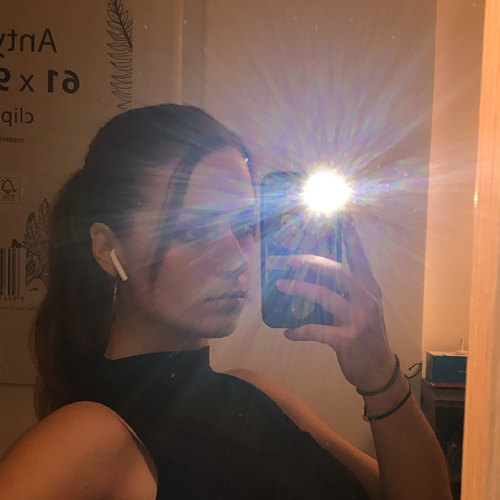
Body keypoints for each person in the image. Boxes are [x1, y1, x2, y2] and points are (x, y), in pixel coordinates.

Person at [0, 104, 452, 500]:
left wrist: (380, 376)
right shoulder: (91, 435)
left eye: (245, 225)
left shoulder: (258, 394)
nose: (237, 257)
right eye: (195, 230)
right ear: (108, 249)